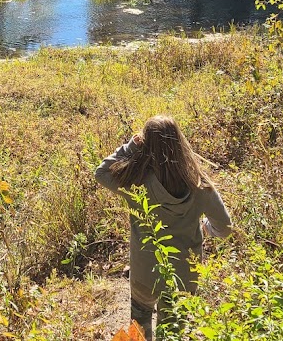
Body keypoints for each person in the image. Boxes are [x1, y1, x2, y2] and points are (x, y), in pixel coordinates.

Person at [95, 115, 232, 340]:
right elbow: (225, 227)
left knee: (139, 323)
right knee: (172, 331)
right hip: (184, 276)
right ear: (180, 142)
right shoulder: (199, 185)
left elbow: (101, 172)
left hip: (144, 271)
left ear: (146, 145)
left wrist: (131, 145)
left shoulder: (136, 182)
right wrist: (206, 228)